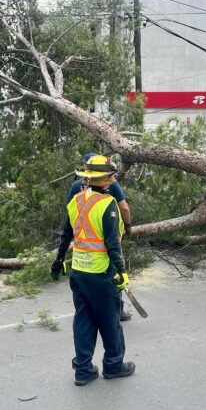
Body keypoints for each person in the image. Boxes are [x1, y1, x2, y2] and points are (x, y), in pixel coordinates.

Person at [51, 155, 135, 387]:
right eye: (111, 175)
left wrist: (58, 260)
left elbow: (66, 234)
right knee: (109, 321)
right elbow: (112, 244)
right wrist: (122, 272)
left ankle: (83, 369)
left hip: (79, 271)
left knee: (84, 320)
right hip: (101, 272)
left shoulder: (75, 201)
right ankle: (114, 365)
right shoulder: (107, 204)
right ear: (106, 179)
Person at [68, 152, 134, 322]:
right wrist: (127, 227)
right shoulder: (110, 183)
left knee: (85, 278)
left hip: (83, 246)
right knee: (113, 272)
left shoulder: (76, 186)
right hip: (107, 237)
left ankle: (91, 311)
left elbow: (69, 212)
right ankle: (117, 310)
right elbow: (124, 208)